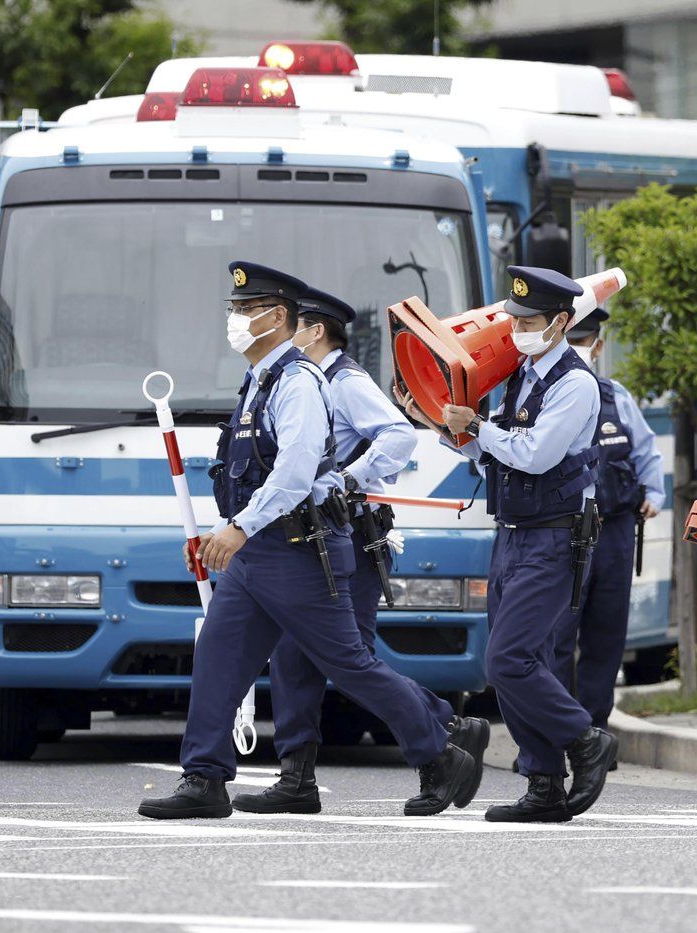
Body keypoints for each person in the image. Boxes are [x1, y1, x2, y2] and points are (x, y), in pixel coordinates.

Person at [139, 262, 478, 820]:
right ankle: (204, 778)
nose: (237, 320)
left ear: (279, 317)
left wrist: (239, 528)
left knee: (349, 665)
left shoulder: (298, 382)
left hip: (297, 551)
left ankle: (439, 751)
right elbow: (248, 472)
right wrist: (220, 532)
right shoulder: (259, 382)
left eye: (248, 311)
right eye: (236, 310)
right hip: (257, 553)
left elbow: (294, 475)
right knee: (218, 659)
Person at [231, 283, 489, 815]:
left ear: (313, 330)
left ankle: (442, 738)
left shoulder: (342, 381)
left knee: (350, 662)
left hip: (348, 537)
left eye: (292, 323)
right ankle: (296, 777)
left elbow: (398, 435)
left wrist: (347, 478)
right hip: (313, 541)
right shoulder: (300, 381)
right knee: (295, 661)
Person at [404, 265, 617, 824]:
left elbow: (536, 454)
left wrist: (477, 427)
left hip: (555, 536)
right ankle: (543, 781)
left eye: (532, 321)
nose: (519, 330)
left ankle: (584, 741)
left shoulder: (575, 382)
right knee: (529, 659)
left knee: (509, 661)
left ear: (562, 323)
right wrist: (444, 428)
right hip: (516, 532)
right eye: (515, 319)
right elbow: (493, 453)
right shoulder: (520, 378)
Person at [550, 306, 664, 736]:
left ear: (598, 347)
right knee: (558, 635)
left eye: (585, 344)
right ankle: (560, 731)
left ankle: (595, 731)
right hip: (565, 530)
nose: (582, 352)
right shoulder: (548, 394)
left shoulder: (615, 395)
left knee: (606, 632)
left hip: (614, 530)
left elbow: (645, 449)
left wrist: (653, 493)